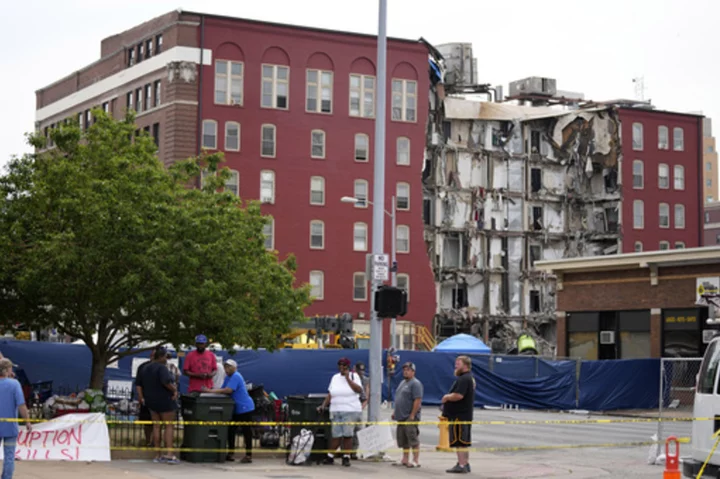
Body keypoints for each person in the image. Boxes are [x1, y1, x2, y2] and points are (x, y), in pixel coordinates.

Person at [203, 359, 255, 463]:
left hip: (245, 408)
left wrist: (210, 391)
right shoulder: (228, 378)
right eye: (225, 367)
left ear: (234, 368)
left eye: (229, 367)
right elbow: (222, 390)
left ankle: (248, 455)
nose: (227, 369)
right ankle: (230, 453)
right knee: (231, 431)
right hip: (235, 409)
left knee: (246, 432)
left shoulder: (236, 376)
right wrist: (210, 392)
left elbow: (228, 390)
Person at [317, 357, 363, 467]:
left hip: (350, 409)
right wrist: (323, 405)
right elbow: (330, 393)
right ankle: (330, 456)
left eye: (344, 365)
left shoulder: (354, 376)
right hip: (336, 409)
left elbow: (359, 390)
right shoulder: (335, 378)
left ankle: (346, 457)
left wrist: (348, 379)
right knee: (336, 434)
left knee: (347, 434)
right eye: (340, 365)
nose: (342, 367)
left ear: (348, 366)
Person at [137, 347, 179, 465]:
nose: (166, 359)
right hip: (165, 400)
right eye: (166, 357)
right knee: (169, 426)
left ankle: (157, 454)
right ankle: (169, 454)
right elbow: (166, 382)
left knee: (156, 426)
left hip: (151, 401)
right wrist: (175, 390)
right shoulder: (161, 368)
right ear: (161, 357)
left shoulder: (145, 368)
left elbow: (139, 384)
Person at [441, 355, 476, 474]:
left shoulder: (464, 379)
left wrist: (446, 397)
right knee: (464, 442)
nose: (455, 365)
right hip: (464, 415)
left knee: (459, 442)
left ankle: (461, 465)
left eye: (458, 363)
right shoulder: (468, 378)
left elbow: (459, 395)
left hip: (459, 416)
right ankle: (465, 463)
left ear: (465, 365)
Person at [0, 358, 32, 479]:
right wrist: (27, 421)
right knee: (9, 456)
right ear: (7, 370)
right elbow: (22, 405)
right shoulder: (14, 384)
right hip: (10, 427)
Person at [392, 362, 423, 468]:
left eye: (408, 370)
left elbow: (417, 400)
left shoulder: (415, 384)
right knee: (403, 439)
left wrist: (412, 415)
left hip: (410, 417)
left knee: (412, 438)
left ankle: (415, 460)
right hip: (401, 416)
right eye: (404, 369)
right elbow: (399, 399)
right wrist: (395, 412)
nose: (405, 371)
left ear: (413, 372)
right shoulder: (402, 383)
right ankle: (405, 459)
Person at [134, 350, 154, 447]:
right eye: (153, 355)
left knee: (158, 422)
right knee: (147, 422)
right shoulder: (143, 367)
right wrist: (141, 396)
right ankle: (147, 441)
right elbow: (138, 384)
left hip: (160, 399)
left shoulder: (164, 367)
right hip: (146, 398)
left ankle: (155, 442)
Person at [351, 361, 370, 459]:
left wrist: (361, 407)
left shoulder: (365, 380)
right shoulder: (351, 378)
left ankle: (354, 451)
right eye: (359, 370)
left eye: (362, 370)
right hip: (350, 407)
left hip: (358, 406)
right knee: (347, 430)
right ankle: (345, 450)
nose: (361, 373)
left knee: (357, 430)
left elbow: (366, 396)